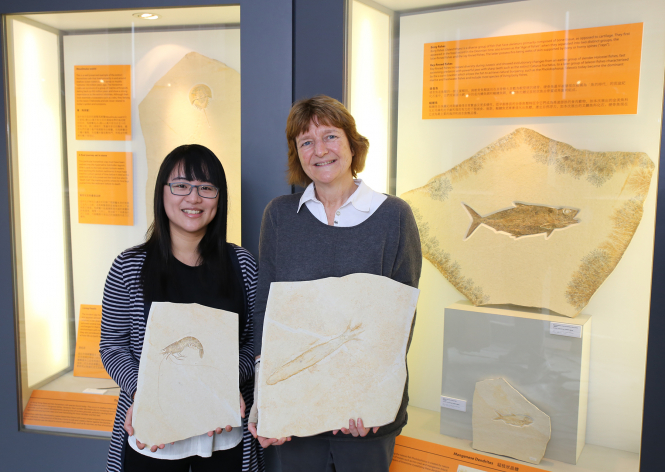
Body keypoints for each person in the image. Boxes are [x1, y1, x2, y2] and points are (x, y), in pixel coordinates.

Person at [248, 95, 422, 471]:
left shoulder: (394, 216)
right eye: (306, 142)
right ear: (297, 154)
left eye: (330, 136)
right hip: (297, 406)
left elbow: (400, 318)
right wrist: (267, 399)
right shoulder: (280, 216)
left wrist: (373, 397)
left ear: (352, 144)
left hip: (365, 413)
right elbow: (266, 310)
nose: (320, 151)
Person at [100, 144, 263, 472]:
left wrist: (225, 384)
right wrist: (143, 392)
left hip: (224, 436)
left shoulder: (242, 264)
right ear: (162, 193)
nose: (193, 198)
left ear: (220, 198)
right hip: (153, 440)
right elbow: (112, 346)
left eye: (206, 187)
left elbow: (255, 345)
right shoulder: (129, 267)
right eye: (181, 186)